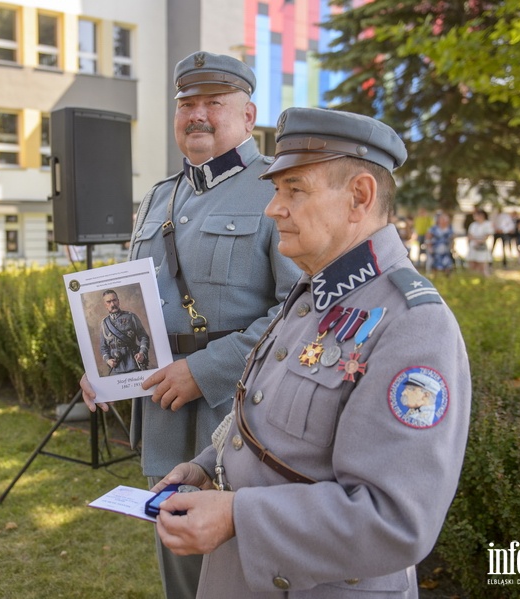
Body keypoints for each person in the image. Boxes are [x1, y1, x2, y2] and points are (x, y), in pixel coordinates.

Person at [151, 107, 472, 598]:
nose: (272, 208)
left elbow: (395, 521)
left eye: (293, 190)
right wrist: (205, 463)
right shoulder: (314, 293)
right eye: (277, 190)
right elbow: (262, 413)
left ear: (359, 197)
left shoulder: (413, 324)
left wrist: (240, 515)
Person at [80, 51, 301, 599]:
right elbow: (137, 306)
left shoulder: (278, 188)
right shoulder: (160, 196)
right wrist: (104, 368)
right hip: (163, 414)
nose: (197, 114)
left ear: (248, 116)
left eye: (214, 103)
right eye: (187, 103)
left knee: (236, 569)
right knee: (177, 559)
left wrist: (203, 371)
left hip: (238, 414)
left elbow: (298, 310)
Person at [98, 289, 150, 375]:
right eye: (109, 302)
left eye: (114, 300)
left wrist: (142, 353)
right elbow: (103, 347)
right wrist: (108, 360)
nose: (112, 304)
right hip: (116, 366)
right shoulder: (104, 323)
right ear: (105, 305)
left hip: (133, 362)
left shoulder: (131, 317)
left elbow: (143, 337)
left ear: (118, 301)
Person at [465, 208, 494, 276]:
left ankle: (484, 277)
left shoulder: (487, 224)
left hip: (482, 245)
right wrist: (475, 241)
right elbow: (470, 235)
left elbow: (487, 235)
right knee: (472, 263)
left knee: (482, 264)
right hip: (473, 245)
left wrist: (480, 241)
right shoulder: (473, 225)